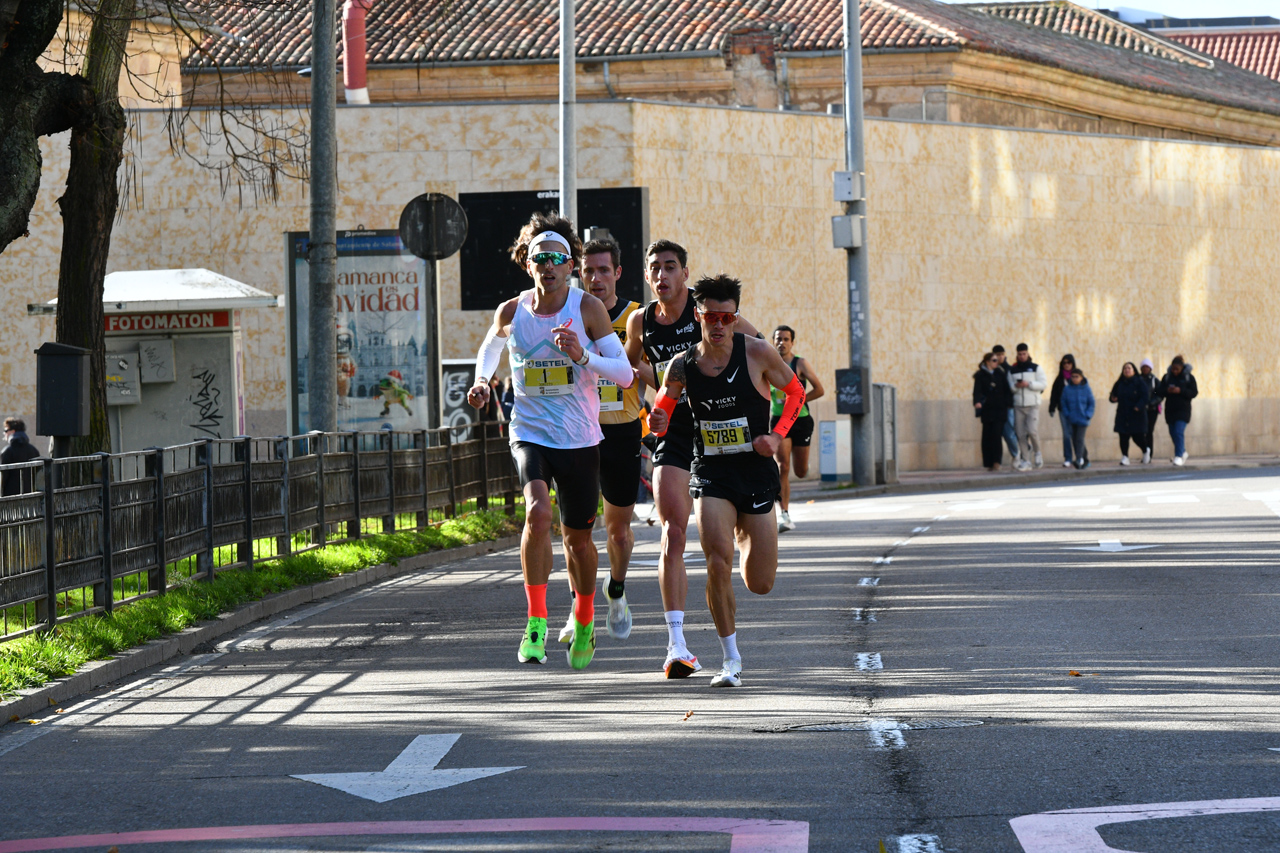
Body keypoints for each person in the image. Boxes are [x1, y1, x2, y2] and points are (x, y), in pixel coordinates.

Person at [467, 212, 636, 670]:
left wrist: (582, 356)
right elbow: (491, 347)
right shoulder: (512, 311)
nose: (548, 266)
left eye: (557, 259)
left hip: (579, 437)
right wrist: (482, 382)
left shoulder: (588, 309)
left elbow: (624, 375)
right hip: (530, 431)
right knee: (538, 513)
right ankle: (536, 622)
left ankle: (584, 618)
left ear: (570, 266)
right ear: (528, 264)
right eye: (540, 258)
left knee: (578, 543)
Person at [647, 274, 805, 688]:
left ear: (736, 317)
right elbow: (661, 409)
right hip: (711, 473)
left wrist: (777, 435)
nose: (718, 324)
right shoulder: (682, 364)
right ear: (698, 316)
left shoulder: (757, 352)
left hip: (754, 473)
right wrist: (658, 420)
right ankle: (730, 659)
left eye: (727, 317)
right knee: (717, 561)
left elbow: (796, 393)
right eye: (710, 316)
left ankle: (745, 529)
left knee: (760, 582)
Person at [626, 240, 762, 678]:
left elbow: (758, 351)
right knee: (673, 528)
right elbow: (629, 371)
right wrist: (647, 407)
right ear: (646, 276)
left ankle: (739, 527)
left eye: (670, 267)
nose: (662, 275)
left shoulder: (708, 311)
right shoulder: (640, 321)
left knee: (742, 561)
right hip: (676, 429)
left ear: (685, 273)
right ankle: (677, 645)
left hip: (719, 426)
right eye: (655, 268)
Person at [553, 236, 642, 645]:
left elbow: (654, 371)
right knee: (576, 532)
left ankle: (616, 591)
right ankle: (578, 607)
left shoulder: (636, 317)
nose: (596, 278)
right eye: (588, 271)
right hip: (575, 430)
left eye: (604, 270)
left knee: (618, 532)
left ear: (618, 272)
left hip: (621, 429)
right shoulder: (567, 311)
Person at [769, 325, 824, 532]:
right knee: (782, 466)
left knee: (800, 472)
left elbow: (819, 389)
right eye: (778, 339)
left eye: (786, 339)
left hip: (800, 420)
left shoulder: (799, 363)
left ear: (792, 342)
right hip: (779, 420)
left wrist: (798, 401)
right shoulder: (767, 362)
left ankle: (802, 463)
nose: (781, 343)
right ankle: (784, 514)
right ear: (773, 341)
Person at [1006, 343, 1046, 470]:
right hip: (1018, 406)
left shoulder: (1035, 368)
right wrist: (1017, 386)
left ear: (1028, 353)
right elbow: (1011, 388)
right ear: (1017, 355)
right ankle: (1026, 460)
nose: (1022, 356)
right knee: (1020, 434)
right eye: (1019, 354)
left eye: (1024, 354)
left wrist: (1029, 384)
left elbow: (1043, 384)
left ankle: (1037, 452)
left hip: (1033, 404)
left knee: (1032, 430)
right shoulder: (1012, 370)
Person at [1157, 355, 1198, 466]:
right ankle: (1183, 451)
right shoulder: (1167, 377)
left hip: (1183, 409)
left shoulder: (1189, 377)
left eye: (1177, 369)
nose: (1175, 371)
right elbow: (1159, 391)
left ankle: (1178, 456)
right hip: (1170, 410)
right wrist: (1167, 390)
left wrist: (1181, 390)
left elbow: (1194, 392)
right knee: (1173, 433)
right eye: (1173, 369)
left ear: (1182, 367)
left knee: (1178, 431)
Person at [972, 352, 1010, 471]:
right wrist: (977, 402)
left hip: (999, 410)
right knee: (987, 436)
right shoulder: (980, 375)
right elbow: (977, 391)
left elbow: (1007, 390)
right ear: (987, 362)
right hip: (987, 410)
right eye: (994, 360)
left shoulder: (1000, 373)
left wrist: (1008, 404)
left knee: (997, 435)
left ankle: (997, 462)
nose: (996, 362)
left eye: (997, 360)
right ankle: (988, 463)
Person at [1109, 362, 1149, 465]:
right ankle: (1125, 457)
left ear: (1134, 371)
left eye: (1129, 368)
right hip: (1123, 413)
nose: (1127, 370)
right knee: (1123, 436)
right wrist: (1113, 398)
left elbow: (1145, 396)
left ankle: (1145, 450)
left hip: (1136, 414)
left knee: (1137, 437)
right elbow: (1113, 395)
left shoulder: (1139, 382)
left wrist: (1138, 406)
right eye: (1125, 368)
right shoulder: (1119, 383)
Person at [1060, 367, 1095, 470]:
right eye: (1073, 377)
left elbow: (1091, 403)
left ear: (1081, 377)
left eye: (1077, 377)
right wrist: (1067, 414)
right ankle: (1085, 459)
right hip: (1072, 418)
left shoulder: (1086, 389)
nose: (1075, 379)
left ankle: (1079, 459)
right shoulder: (1067, 389)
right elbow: (1063, 402)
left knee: (1079, 439)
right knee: (1075, 440)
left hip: (1083, 419)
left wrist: (1088, 414)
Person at [1047, 354, 1077, 468]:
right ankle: (1068, 458)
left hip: (1076, 410)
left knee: (1076, 434)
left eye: (1069, 362)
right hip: (1063, 410)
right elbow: (1054, 394)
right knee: (1066, 434)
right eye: (1064, 363)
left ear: (1072, 363)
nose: (1067, 365)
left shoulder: (1077, 377)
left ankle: (1080, 457)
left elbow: (1085, 392)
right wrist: (1052, 407)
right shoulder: (1059, 379)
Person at [992, 345, 1020, 465]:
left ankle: (1017, 454)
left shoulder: (1009, 369)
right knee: (1000, 434)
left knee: (1009, 433)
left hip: (1008, 406)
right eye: (998, 355)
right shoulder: (991, 370)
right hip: (996, 407)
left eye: (1002, 354)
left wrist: (1010, 402)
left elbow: (1012, 389)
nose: (1000, 357)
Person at [1, 418, 41, 496]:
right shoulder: (33, 450)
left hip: (11, 498)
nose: (4, 433)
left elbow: (3, 478)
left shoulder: (7, 451)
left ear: (13, 431)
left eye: (6, 430)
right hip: (31, 497)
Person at [1137, 358, 1160, 463]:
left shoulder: (1154, 380)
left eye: (1147, 367)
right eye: (1143, 367)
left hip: (1152, 410)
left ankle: (1149, 455)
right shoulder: (1137, 379)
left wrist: (1151, 403)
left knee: (1149, 431)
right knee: (1140, 432)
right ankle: (1145, 451)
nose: (1145, 369)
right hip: (1140, 410)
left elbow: (1159, 394)